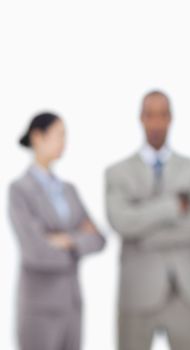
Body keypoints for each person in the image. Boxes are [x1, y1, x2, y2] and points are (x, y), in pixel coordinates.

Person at [106, 90, 190, 350]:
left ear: (171, 118)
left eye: (162, 115)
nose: (156, 123)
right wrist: (172, 206)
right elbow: (121, 222)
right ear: (141, 118)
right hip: (137, 290)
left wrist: (146, 233)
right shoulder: (117, 173)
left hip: (186, 290)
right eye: (150, 115)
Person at [8, 112, 106, 350]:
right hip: (39, 308)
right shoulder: (20, 190)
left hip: (72, 304)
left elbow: (100, 239)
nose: (64, 142)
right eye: (59, 135)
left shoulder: (69, 190)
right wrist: (78, 240)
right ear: (38, 137)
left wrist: (65, 240)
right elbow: (35, 251)